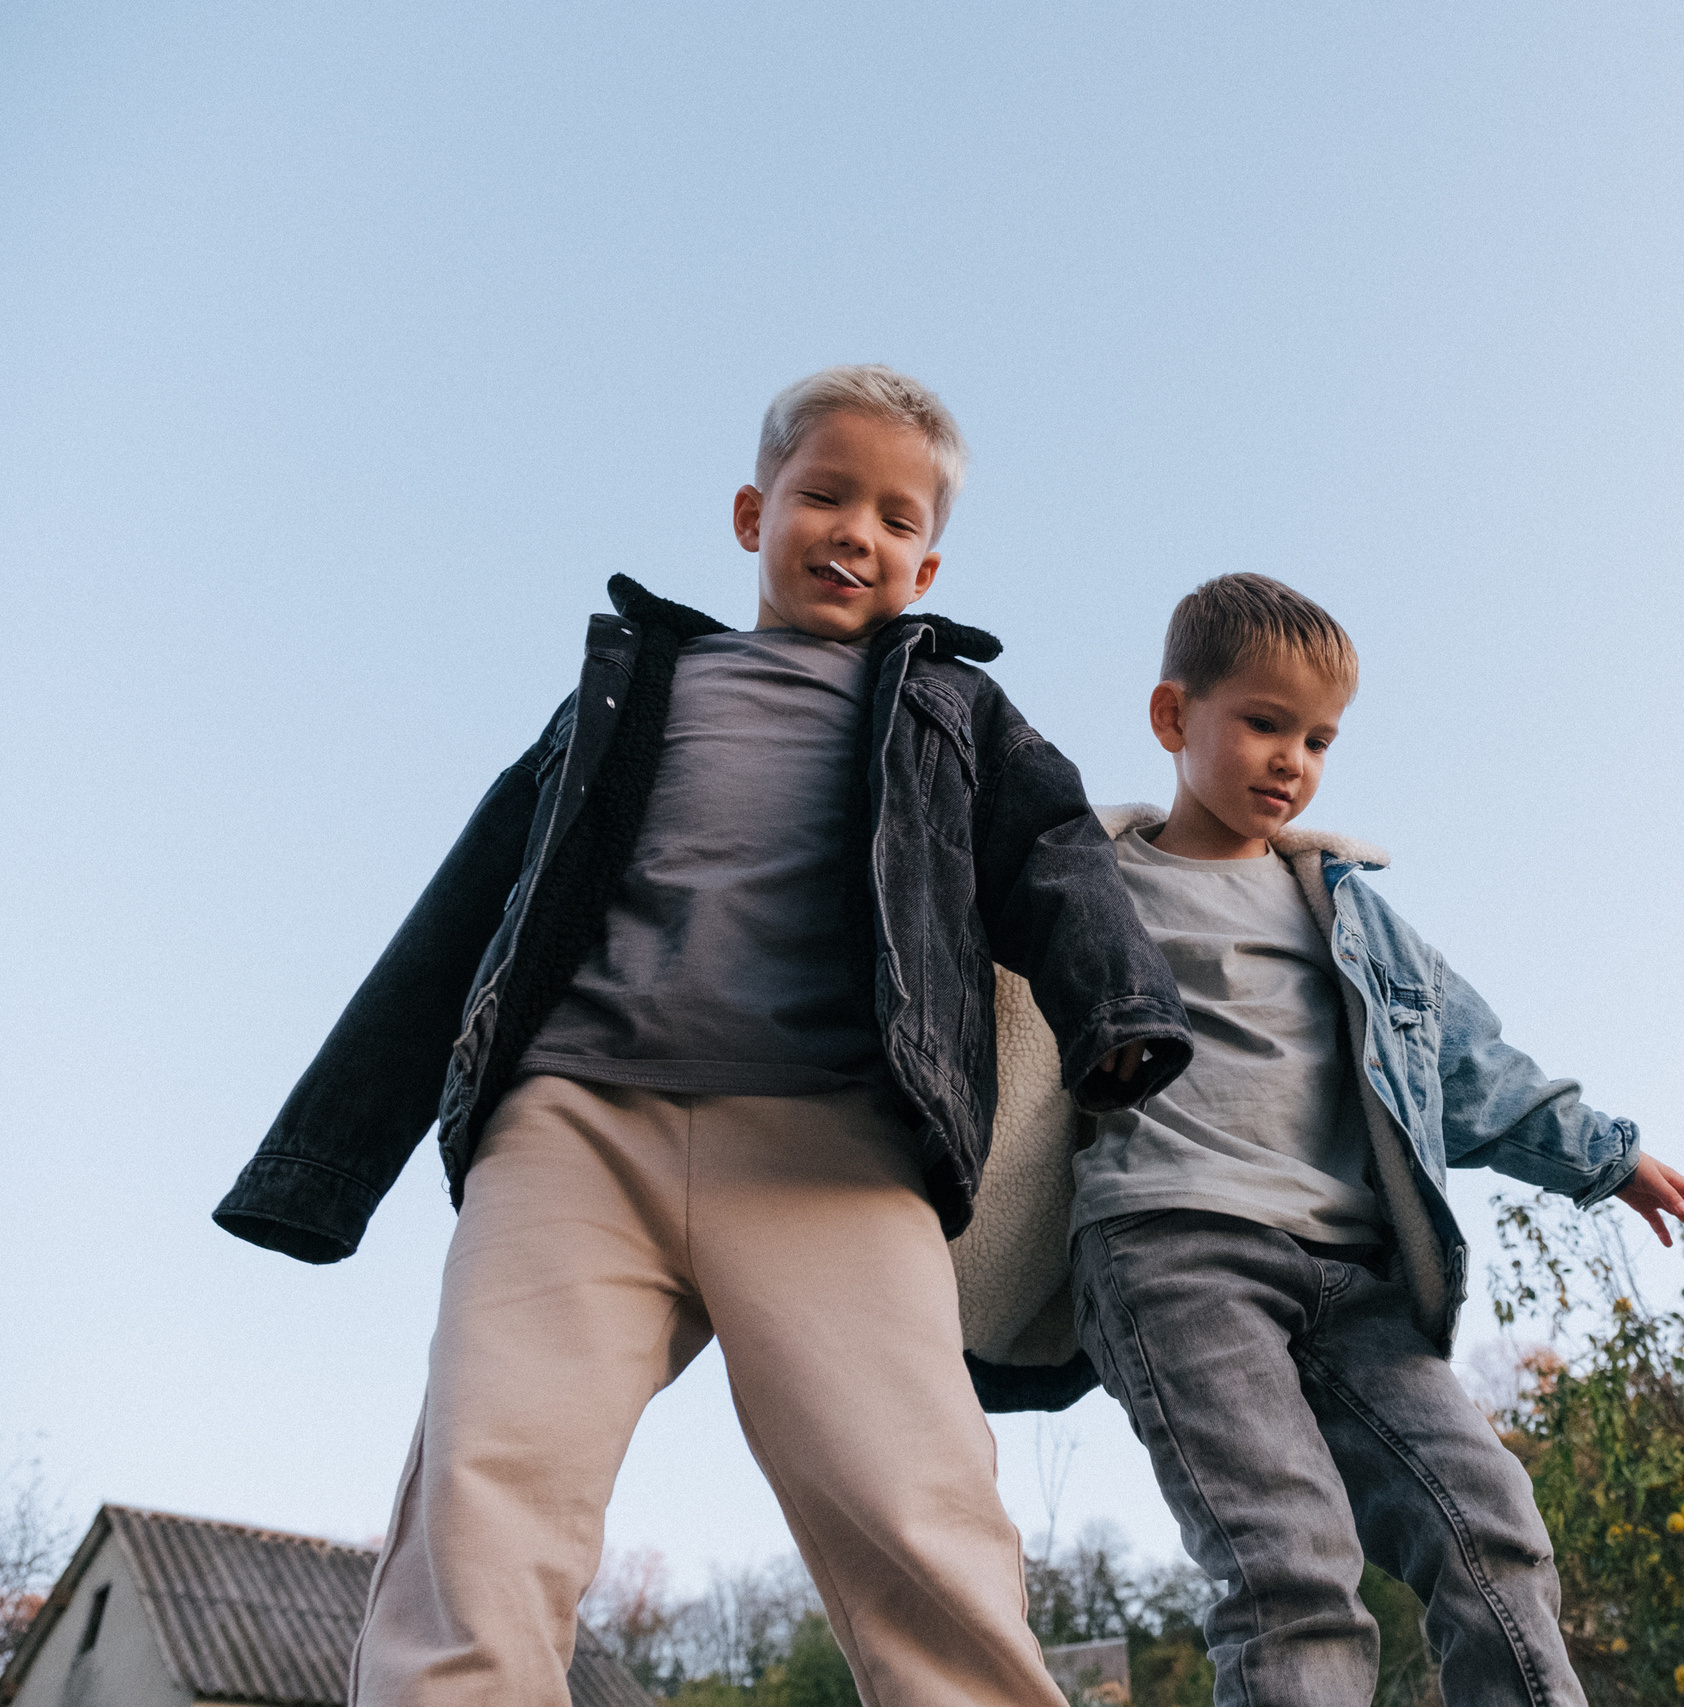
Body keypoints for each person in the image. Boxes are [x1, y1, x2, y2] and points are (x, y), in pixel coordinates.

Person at [212, 365, 1191, 1707]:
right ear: (753, 511)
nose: (858, 531)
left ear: (930, 559)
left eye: (898, 518)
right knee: (484, 1492)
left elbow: (1057, 856)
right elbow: (462, 913)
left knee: (915, 1503)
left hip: (834, 1144)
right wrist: (324, 1163)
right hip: (571, 1133)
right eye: (826, 494)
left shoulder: (953, 709)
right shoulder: (622, 697)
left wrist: (1117, 1013)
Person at [965, 572, 1684, 1705]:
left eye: (1318, 738)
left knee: (1491, 1522)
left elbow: (1466, 1066)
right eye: (1264, 724)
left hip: (1351, 1273)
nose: (1293, 760)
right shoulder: (1089, 880)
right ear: (1174, 719)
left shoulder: (1347, 910)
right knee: (1291, 1565)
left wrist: (1609, 1158)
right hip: (1172, 1249)